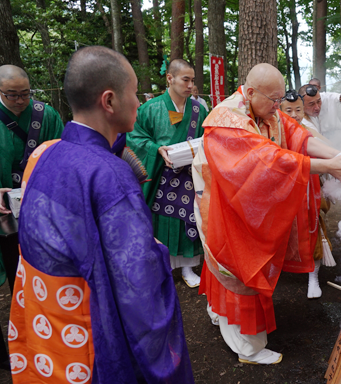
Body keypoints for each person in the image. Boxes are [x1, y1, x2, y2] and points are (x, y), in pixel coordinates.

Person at [8, 46, 193, 383]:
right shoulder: (109, 175)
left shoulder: (45, 153)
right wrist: (155, 249)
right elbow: (137, 283)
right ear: (109, 102)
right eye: (134, 93)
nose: (139, 102)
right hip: (90, 329)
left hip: (47, 322)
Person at [191, 63, 341, 365]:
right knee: (240, 268)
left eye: (280, 100)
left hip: (233, 202)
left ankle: (221, 314)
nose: (277, 108)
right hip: (222, 206)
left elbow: (297, 136)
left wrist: (335, 155)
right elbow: (269, 160)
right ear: (252, 91)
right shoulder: (227, 120)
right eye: (273, 100)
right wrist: (327, 166)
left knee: (228, 266)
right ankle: (249, 348)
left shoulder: (264, 109)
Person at [128, 59, 208, 288]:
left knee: (189, 219)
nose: (191, 85)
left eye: (193, 80)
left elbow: (208, 138)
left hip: (189, 175)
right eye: (186, 79)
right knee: (161, 220)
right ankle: (161, 266)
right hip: (161, 175)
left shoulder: (198, 109)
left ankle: (187, 266)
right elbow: (135, 137)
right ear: (169, 79)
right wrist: (156, 149)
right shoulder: (149, 109)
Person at [0, 64, 64, 287]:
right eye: (12, 95)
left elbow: (60, 154)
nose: (19, 100)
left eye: (25, 94)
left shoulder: (46, 115)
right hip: (4, 210)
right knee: (11, 260)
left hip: (42, 200)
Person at [280, 90, 337, 299]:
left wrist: (340, 155)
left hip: (308, 188)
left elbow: (324, 145)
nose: (294, 114)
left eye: (298, 110)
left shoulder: (306, 128)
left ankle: (313, 277)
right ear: (279, 110)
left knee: (312, 230)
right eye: (289, 110)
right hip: (281, 191)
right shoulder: (272, 130)